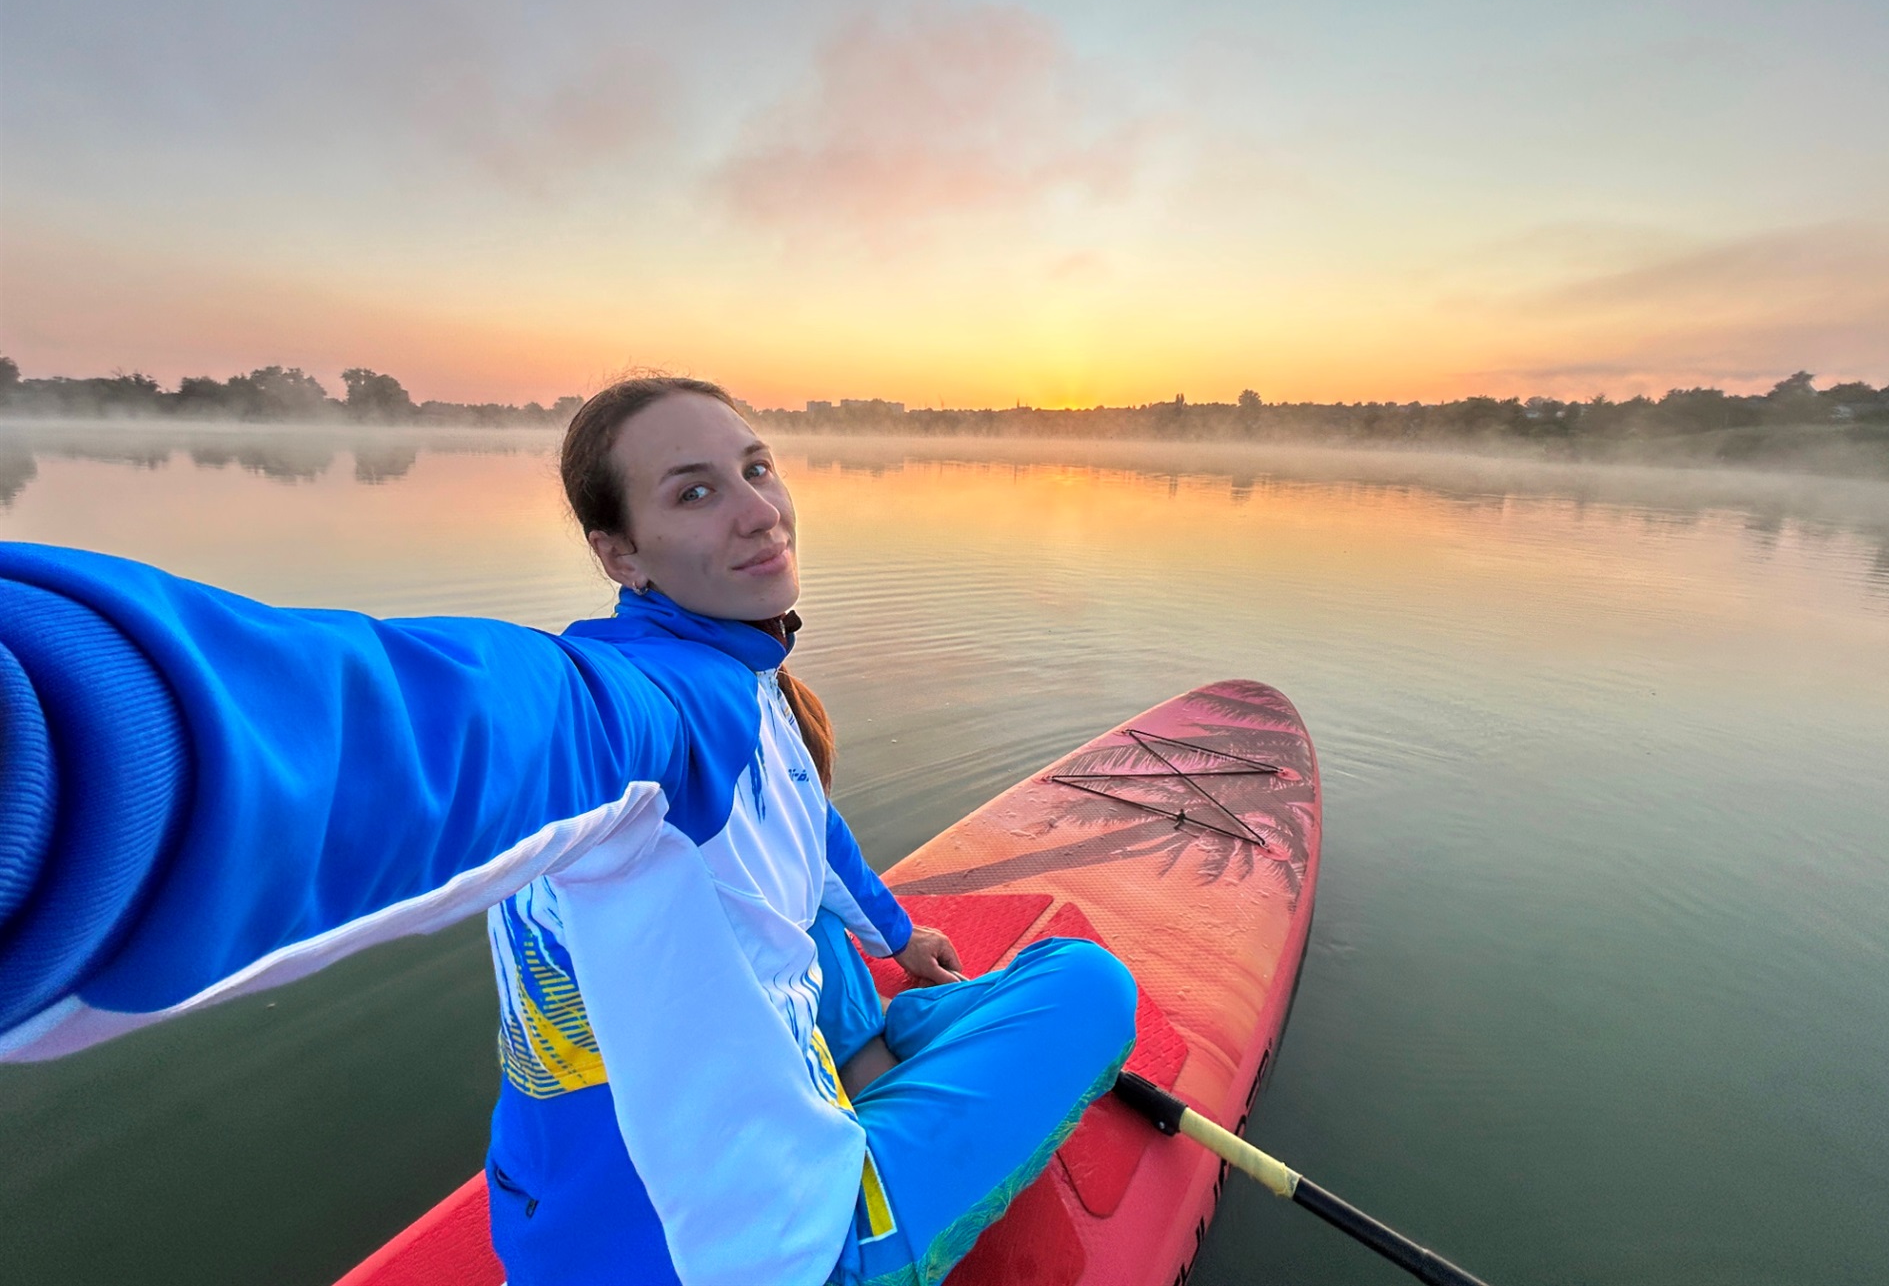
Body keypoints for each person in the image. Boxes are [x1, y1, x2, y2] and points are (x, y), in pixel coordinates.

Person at [0, 375, 1137, 1286]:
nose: (758, 510)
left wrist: (892, 931)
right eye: (693, 492)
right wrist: (77, 743)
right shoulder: (644, 709)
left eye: (755, 467)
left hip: (552, 1228)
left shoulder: (748, 686)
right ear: (620, 554)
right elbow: (462, 728)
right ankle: (882, 1153)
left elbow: (808, 817)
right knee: (1086, 984)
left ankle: (875, 1034)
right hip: (757, 1254)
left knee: (828, 953)